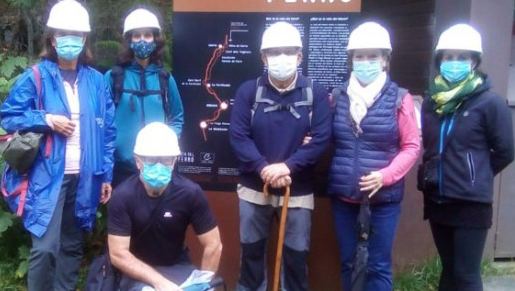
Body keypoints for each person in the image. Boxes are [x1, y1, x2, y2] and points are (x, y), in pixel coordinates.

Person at [0, 0, 116, 291]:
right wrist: (47, 119)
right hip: (48, 176)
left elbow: (108, 132)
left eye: (75, 35)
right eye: (63, 34)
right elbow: (9, 116)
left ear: (85, 39)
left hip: (85, 176)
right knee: (46, 247)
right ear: (52, 38)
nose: (69, 41)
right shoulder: (37, 76)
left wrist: (106, 175)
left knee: (72, 246)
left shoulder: (97, 81)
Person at [229, 21, 332, 291]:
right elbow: (238, 137)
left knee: (296, 258)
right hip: (254, 189)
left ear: (300, 56)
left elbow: (321, 138)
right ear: (263, 57)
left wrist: (287, 167)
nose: (281, 58)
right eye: (274, 52)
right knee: (251, 255)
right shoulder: (248, 92)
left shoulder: (315, 93)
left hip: (297, 191)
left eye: (288, 51)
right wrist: (264, 169)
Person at [421, 23, 514, 291]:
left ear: (474, 61)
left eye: (462, 57)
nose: (454, 62)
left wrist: (475, 174)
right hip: (438, 198)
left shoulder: (490, 104)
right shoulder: (432, 101)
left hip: (471, 203)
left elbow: (506, 151)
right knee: (448, 270)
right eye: (448, 57)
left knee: (466, 275)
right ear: (440, 61)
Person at [329, 22, 421, 291]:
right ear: (351, 60)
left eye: (373, 56)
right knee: (348, 262)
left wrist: (385, 176)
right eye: (359, 56)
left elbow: (411, 146)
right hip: (344, 196)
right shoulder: (338, 96)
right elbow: (327, 136)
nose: (366, 62)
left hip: (384, 200)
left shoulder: (399, 98)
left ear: (385, 60)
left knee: (378, 266)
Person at [108, 122, 223, 291]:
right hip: (136, 270)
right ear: (138, 161)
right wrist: (159, 283)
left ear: (175, 160)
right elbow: (118, 254)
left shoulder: (190, 193)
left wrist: (202, 283)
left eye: (166, 159)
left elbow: (214, 244)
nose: (159, 165)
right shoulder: (123, 196)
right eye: (152, 160)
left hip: (177, 266)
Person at [105, 8, 184, 187]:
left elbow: (177, 117)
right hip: (121, 167)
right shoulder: (114, 77)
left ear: (155, 40)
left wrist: (166, 144)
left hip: (157, 167)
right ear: (129, 40)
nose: (142, 40)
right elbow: (102, 121)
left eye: (147, 35)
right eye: (137, 35)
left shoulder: (165, 79)